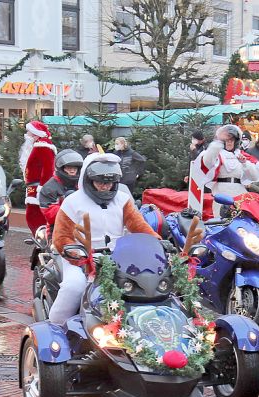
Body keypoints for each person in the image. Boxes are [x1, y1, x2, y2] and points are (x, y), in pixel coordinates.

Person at [47, 154, 158, 325]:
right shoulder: (72, 202)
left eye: (109, 182)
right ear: (88, 180)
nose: (105, 186)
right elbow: (61, 236)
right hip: (80, 259)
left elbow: (139, 226)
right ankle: (56, 325)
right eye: (99, 182)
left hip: (118, 258)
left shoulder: (123, 200)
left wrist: (156, 242)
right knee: (74, 286)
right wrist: (75, 252)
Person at [188, 125, 259, 208]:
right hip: (221, 194)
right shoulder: (217, 154)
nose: (229, 142)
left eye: (231, 140)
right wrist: (217, 142)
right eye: (226, 140)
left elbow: (255, 176)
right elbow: (207, 161)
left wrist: (245, 163)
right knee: (220, 219)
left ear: (236, 141)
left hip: (239, 194)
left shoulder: (242, 156)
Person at [21, 121, 58, 233]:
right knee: (33, 216)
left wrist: (42, 189)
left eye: (28, 132)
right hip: (34, 187)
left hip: (38, 188)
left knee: (35, 217)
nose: (26, 135)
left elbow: (48, 169)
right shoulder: (38, 145)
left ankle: (43, 240)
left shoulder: (42, 146)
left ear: (35, 133)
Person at [39, 149, 84, 227]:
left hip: (82, 225)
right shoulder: (50, 187)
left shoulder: (81, 184)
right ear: (62, 168)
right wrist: (71, 209)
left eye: (75, 168)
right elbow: (48, 213)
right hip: (57, 227)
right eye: (69, 167)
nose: (72, 170)